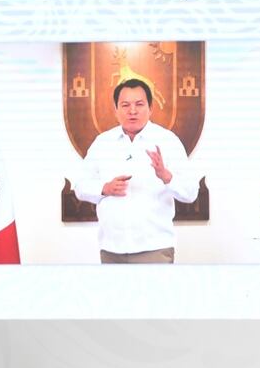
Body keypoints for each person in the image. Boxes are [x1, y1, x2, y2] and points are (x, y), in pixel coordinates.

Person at [74, 79, 199, 263]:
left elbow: (191, 193)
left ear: (150, 108)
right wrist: (105, 188)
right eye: (125, 105)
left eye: (139, 104)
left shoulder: (167, 140)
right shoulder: (102, 142)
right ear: (116, 110)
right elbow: (80, 186)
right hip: (111, 249)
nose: (132, 111)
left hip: (154, 249)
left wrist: (166, 176)